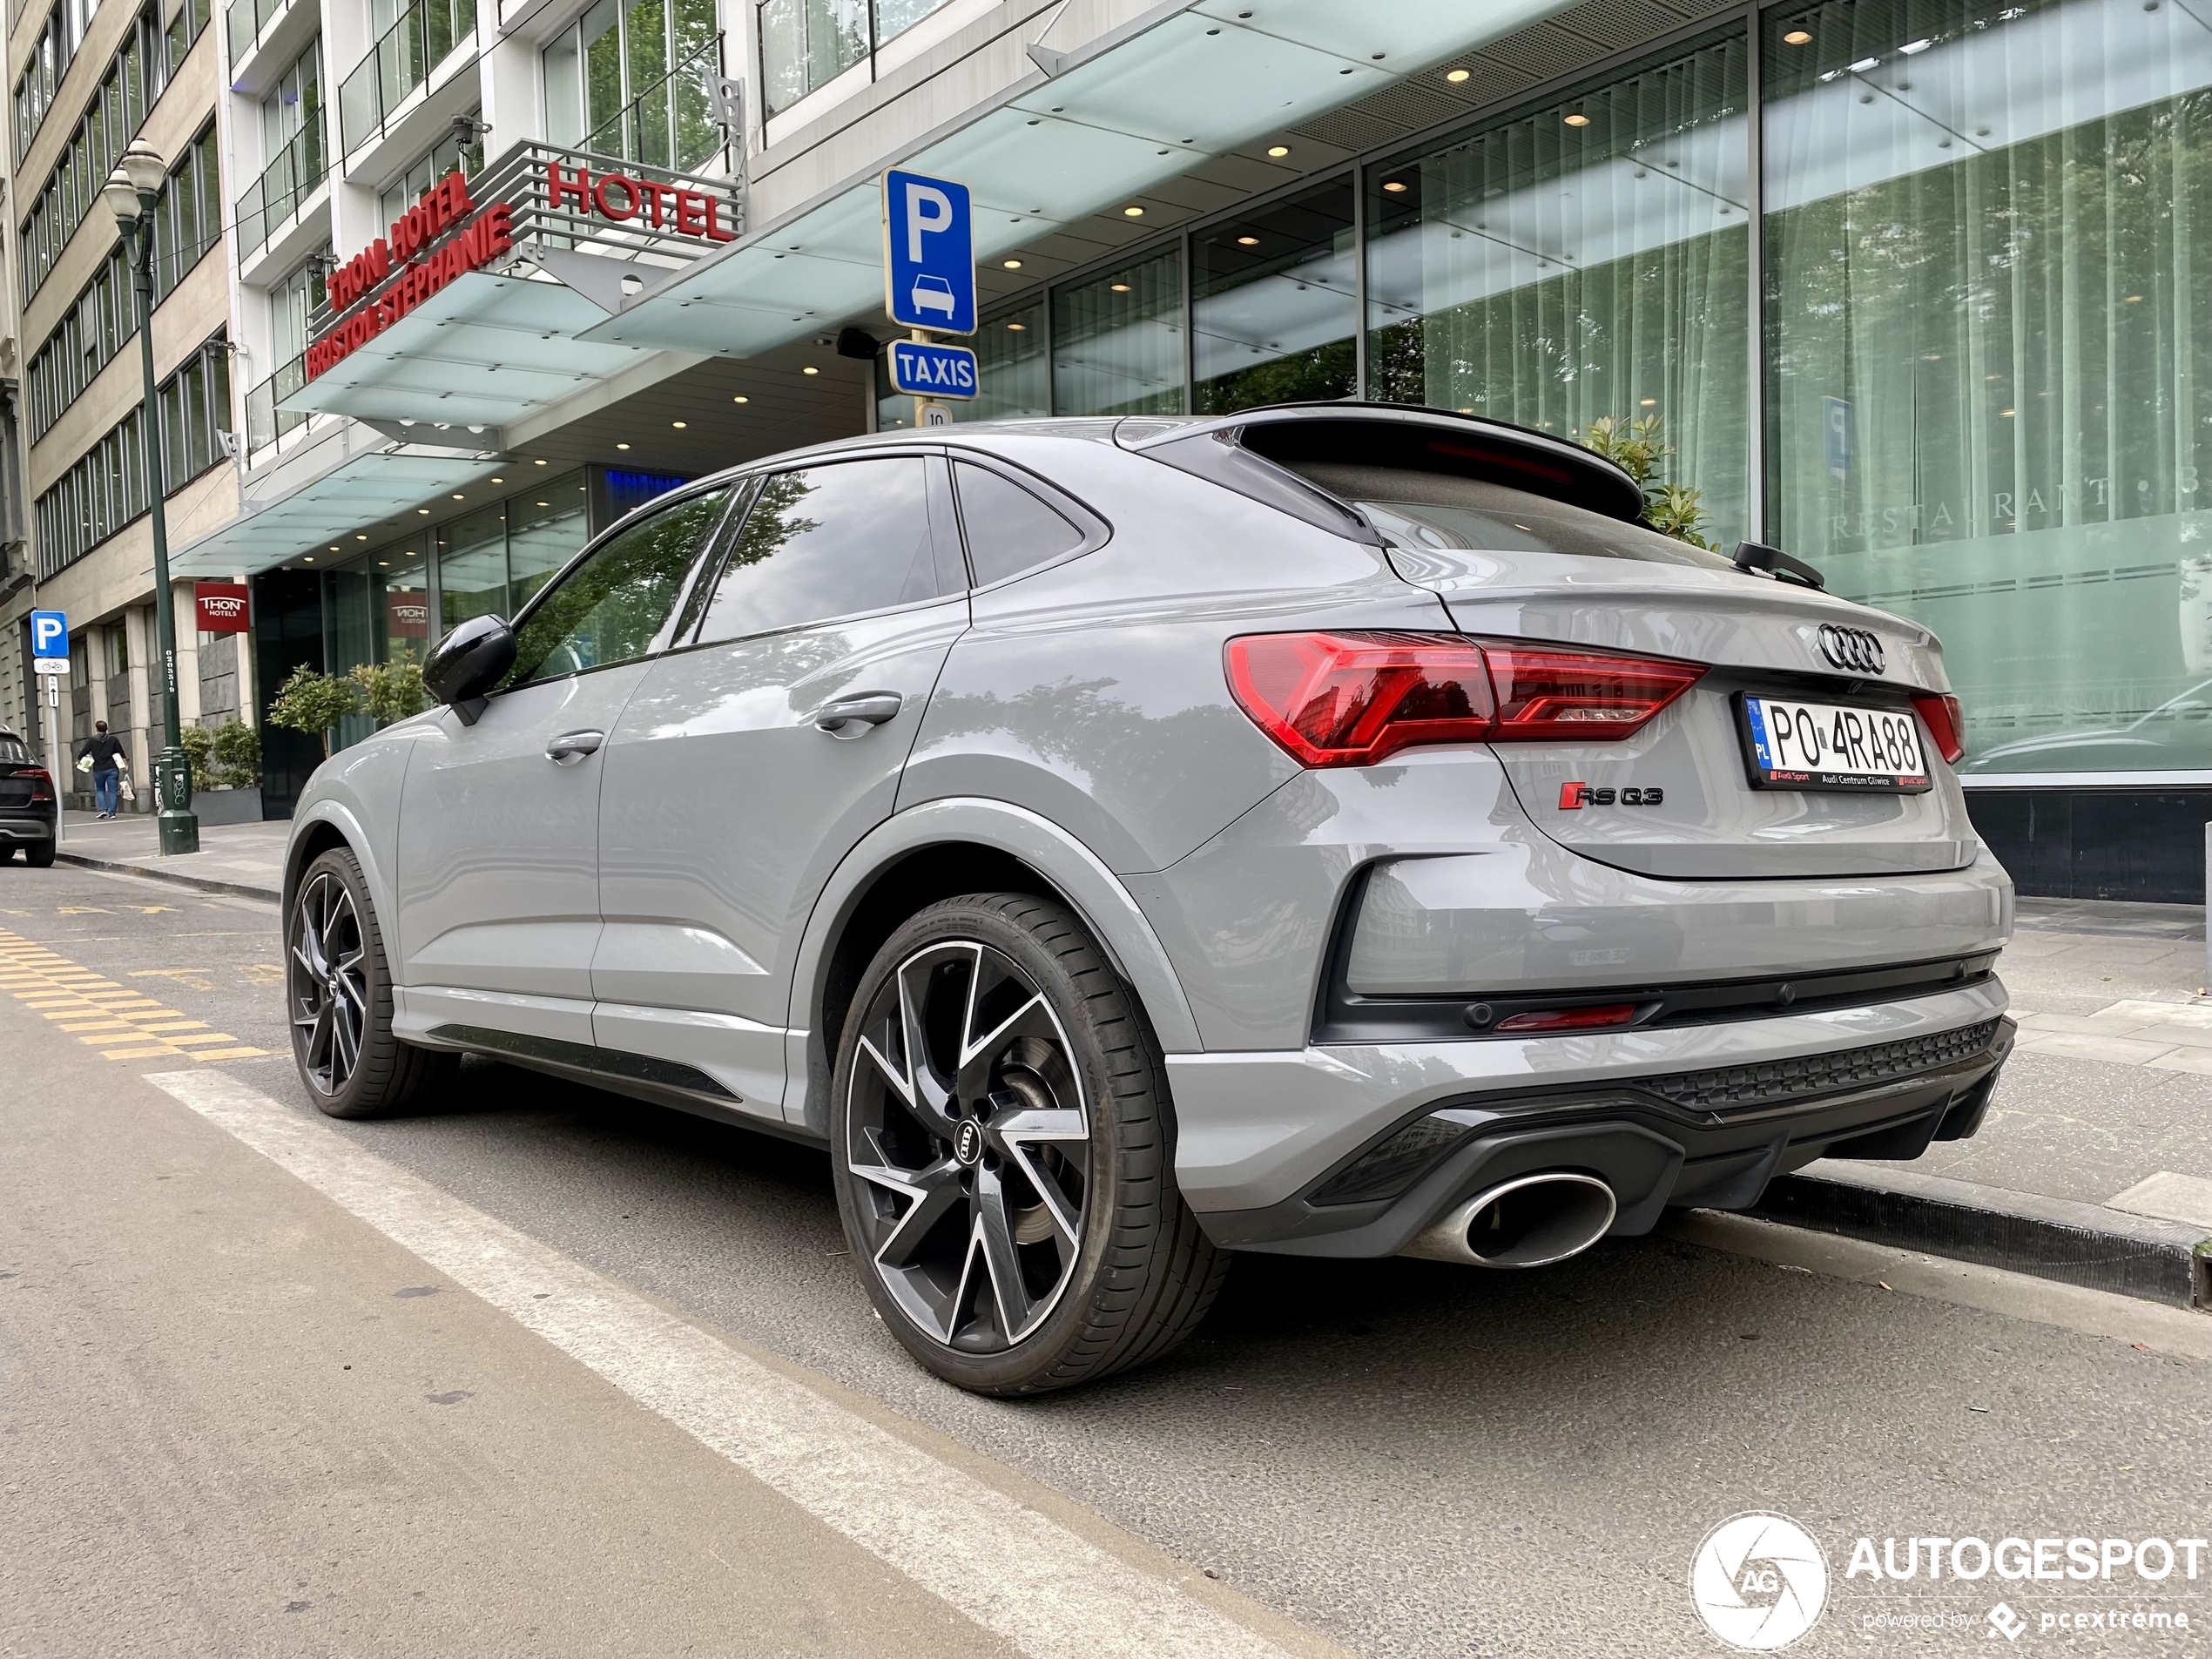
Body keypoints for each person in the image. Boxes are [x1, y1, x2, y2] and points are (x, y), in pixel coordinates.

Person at [78, 721, 126, 819]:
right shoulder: (113, 740)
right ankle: (112, 813)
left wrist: (78, 760)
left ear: (96, 729)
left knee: (100, 789)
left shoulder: (92, 740)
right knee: (113, 791)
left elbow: (83, 752)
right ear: (106, 728)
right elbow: (121, 753)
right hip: (112, 768)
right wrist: (125, 764)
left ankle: (103, 809)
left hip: (98, 769)